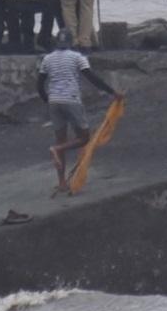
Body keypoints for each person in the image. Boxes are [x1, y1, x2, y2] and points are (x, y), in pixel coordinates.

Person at [36, 29, 123, 194]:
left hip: (54, 102)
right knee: (84, 138)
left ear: (56, 42)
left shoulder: (47, 59)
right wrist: (112, 92)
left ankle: (62, 182)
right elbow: (92, 78)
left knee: (60, 139)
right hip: (71, 100)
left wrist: (49, 100)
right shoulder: (77, 57)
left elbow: (39, 85)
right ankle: (56, 149)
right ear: (71, 42)